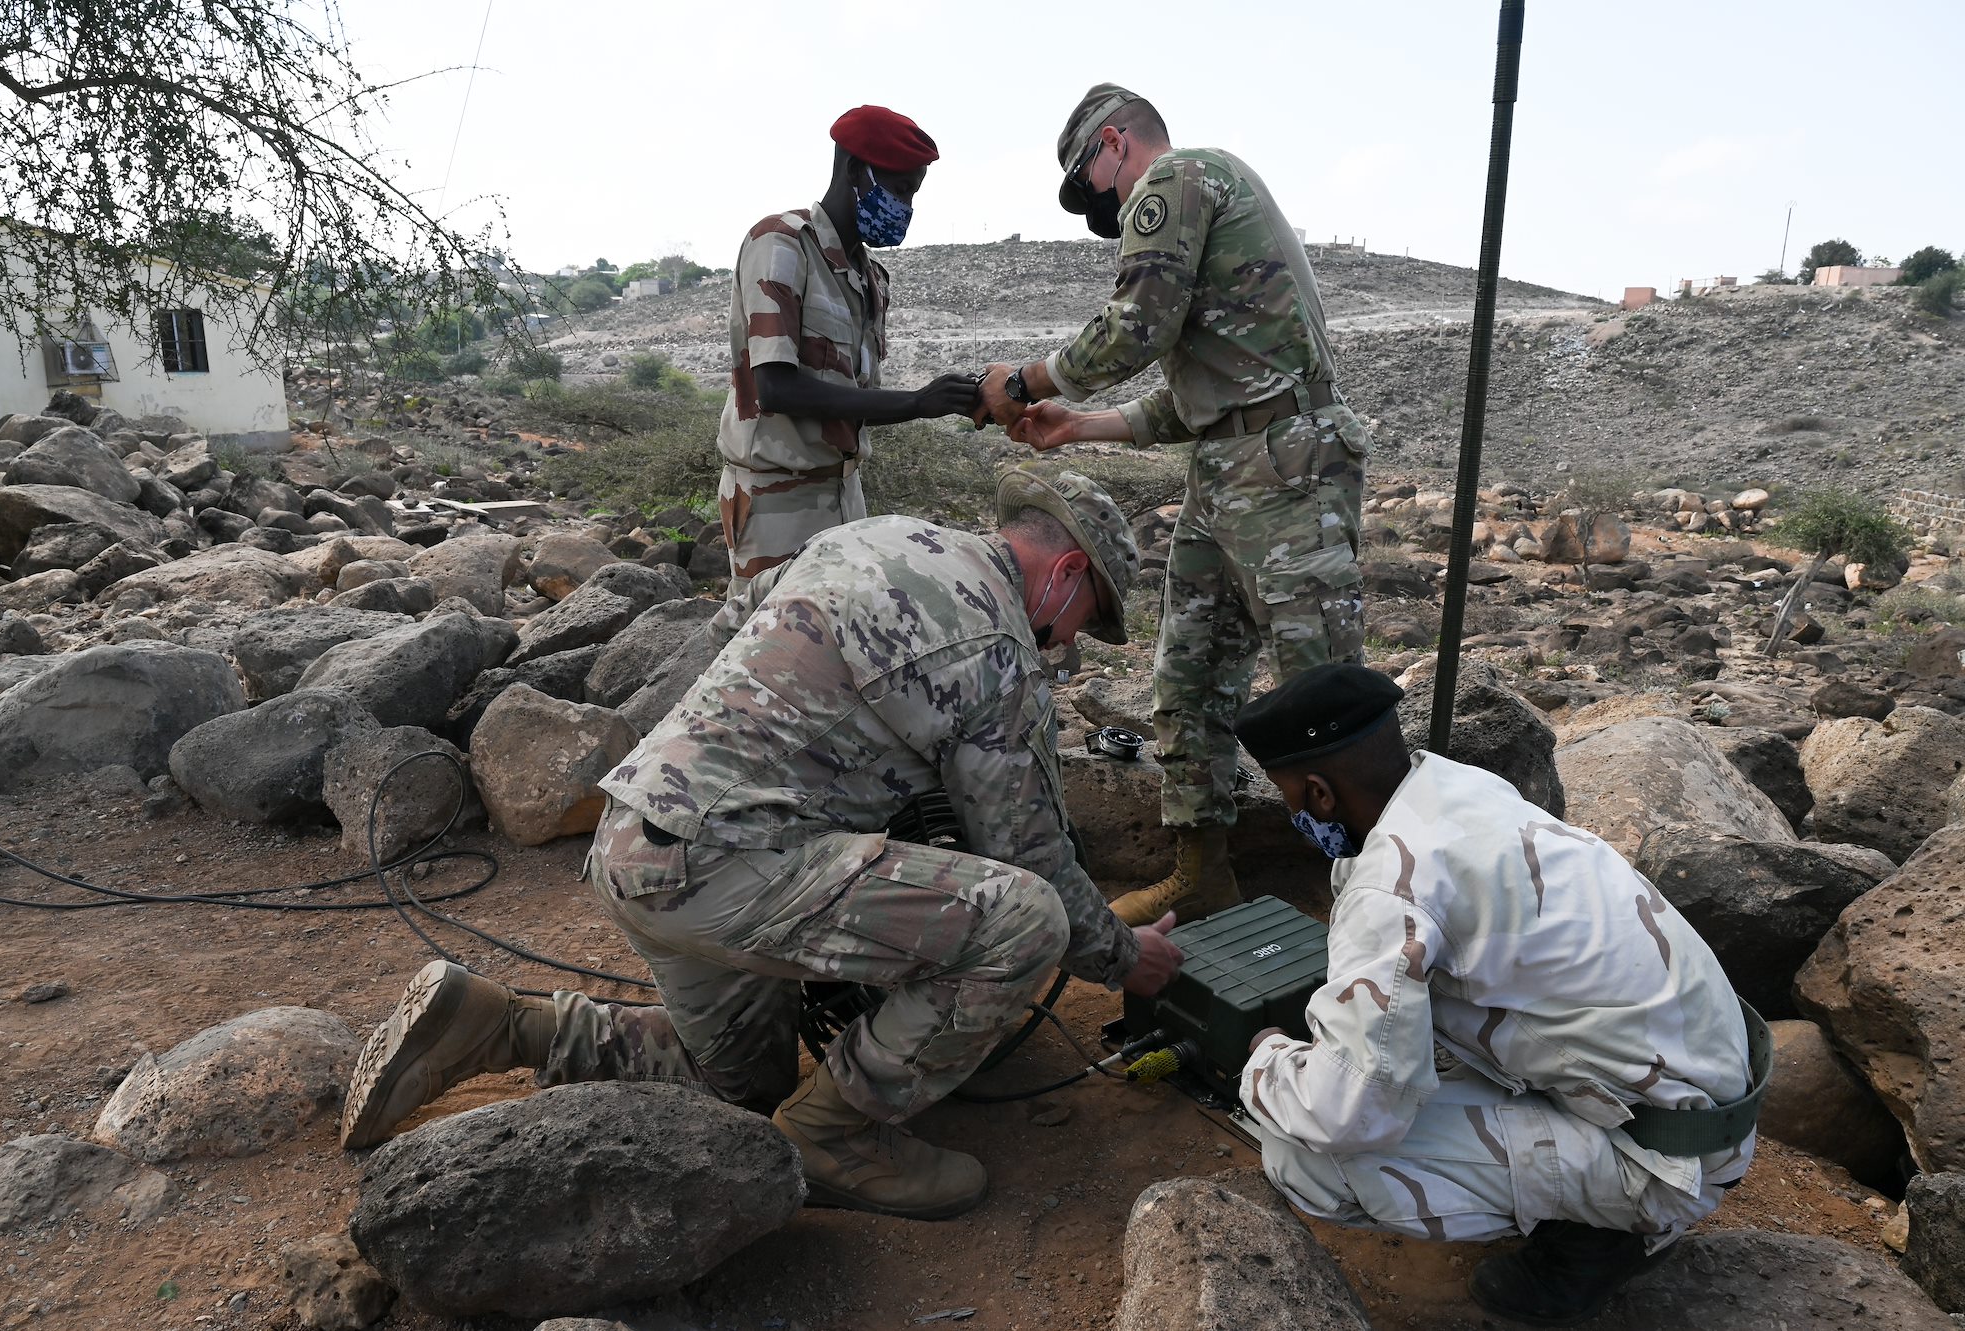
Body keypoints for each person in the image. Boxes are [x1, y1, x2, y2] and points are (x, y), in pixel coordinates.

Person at [340, 469, 1185, 1222]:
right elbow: (1029, 848)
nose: (1067, 643)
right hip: (727, 866)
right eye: (1084, 620)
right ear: (1066, 573)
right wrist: (1119, 956)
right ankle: (834, 1137)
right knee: (1027, 921)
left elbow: (728, 643)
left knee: (743, 1090)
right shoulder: (992, 639)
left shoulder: (868, 538)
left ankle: (496, 1026)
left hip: (636, 842)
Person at [1231, 664, 1766, 1326]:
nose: (1293, 814)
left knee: (1303, 1155)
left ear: (1318, 792)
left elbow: (1349, 1112)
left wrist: (1263, 1062)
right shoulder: (1451, 787)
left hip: (1667, 1155)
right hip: (1702, 1094)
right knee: (1420, 1043)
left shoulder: (1393, 885)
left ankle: (1602, 1239)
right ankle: (1585, 1186)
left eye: (1289, 798)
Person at [976, 83, 1370, 931]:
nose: (1110, 210)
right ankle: (1202, 873)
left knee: (1327, 695)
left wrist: (1020, 383)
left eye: (1098, 186)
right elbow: (1191, 401)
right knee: (1189, 674)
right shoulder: (1204, 210)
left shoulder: (1178, 178)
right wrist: (1077, 426)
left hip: (1286, 465)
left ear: (1114, 143)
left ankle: (1377, 905)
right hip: (1229, 465)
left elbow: (1133, 328)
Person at [716, 104, 983, 593]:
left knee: (832, 649)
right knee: (769, 652)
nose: (906, 207)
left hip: (843, 493)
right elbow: (776, 388)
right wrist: (916, 403)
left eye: (913, 194)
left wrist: (945, 401)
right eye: (899, 190)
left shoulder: (869, 278)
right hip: (778, 500)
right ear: (855, 170)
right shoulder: (781, 243)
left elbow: (851, 399)